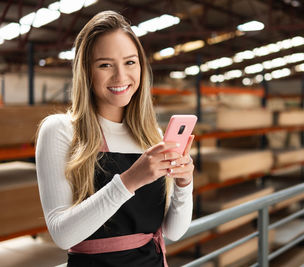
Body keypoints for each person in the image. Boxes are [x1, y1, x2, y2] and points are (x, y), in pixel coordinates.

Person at [35, 10, 194, 267]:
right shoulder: (60, 130)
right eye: (105, 65)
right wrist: (130, 180)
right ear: (86, 71)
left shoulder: (149, 135)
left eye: (130, 62)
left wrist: (185, 184)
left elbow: (173, 232)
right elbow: (62, 235)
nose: (121, 76)